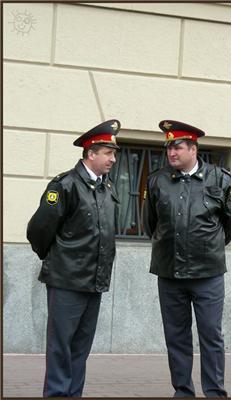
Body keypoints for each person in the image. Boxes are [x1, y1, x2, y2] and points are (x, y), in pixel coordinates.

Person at [27, 120, 121, 397]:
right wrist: (58, 260)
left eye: (113, 154)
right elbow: (39, 230)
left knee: (81, 348)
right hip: (66, 280)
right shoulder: (65, 185)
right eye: (108, 153)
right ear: (91, 153)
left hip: (95, 280)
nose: (113, 159)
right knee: (60, 347)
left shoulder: (108, 188)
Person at [144, 120, 231, 398]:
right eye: (169, 148)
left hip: (207, 274)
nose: (172, 153)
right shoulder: (157, 180)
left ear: (194, 149)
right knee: (176, 337)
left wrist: (208, 246)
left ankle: (214, 392)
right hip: (169, 274)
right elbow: (151, 224)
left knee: (211, 337)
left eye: (178, 147)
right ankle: (183, 391)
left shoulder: (220, 179)